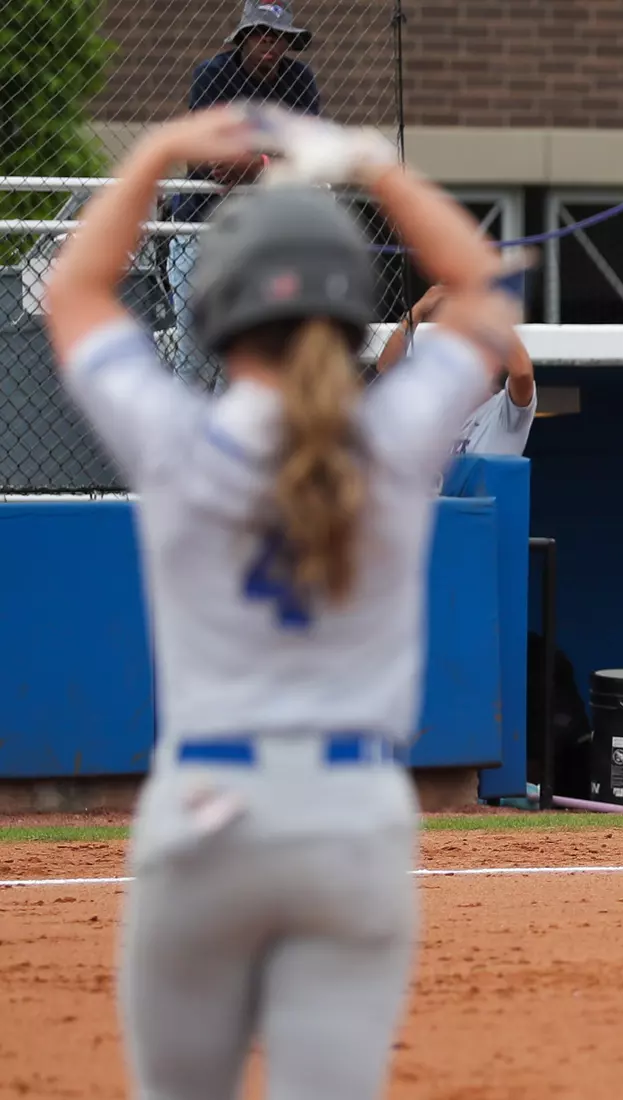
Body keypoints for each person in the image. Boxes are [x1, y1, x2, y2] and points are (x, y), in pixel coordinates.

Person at [42, 106, 510, 1099]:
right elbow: (480, 286)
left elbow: (75, 291)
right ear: (348, 313)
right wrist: (373, 166)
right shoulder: (389, 441)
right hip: (354, 816)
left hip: (204, 811)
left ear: (215, 307)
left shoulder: (178, 440)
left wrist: (161, 150)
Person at [167, 2, 327, 382]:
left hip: (266, 236)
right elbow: (204, 158)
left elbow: (309, 156)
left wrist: (257, 165)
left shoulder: (299, 81)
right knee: (195, 359)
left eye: (281, 37)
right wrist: (272, 156)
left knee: (244, 367)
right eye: (263, 34)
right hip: (202, 228)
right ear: (243, 37)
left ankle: (227, 441)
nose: (272, 44)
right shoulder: (214, 74)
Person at [374, 283, 537, 456]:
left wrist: (486, 314)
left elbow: (523, 373)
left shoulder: (503, 414)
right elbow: (386, 368)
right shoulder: (431, 409)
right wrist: (418, 311)